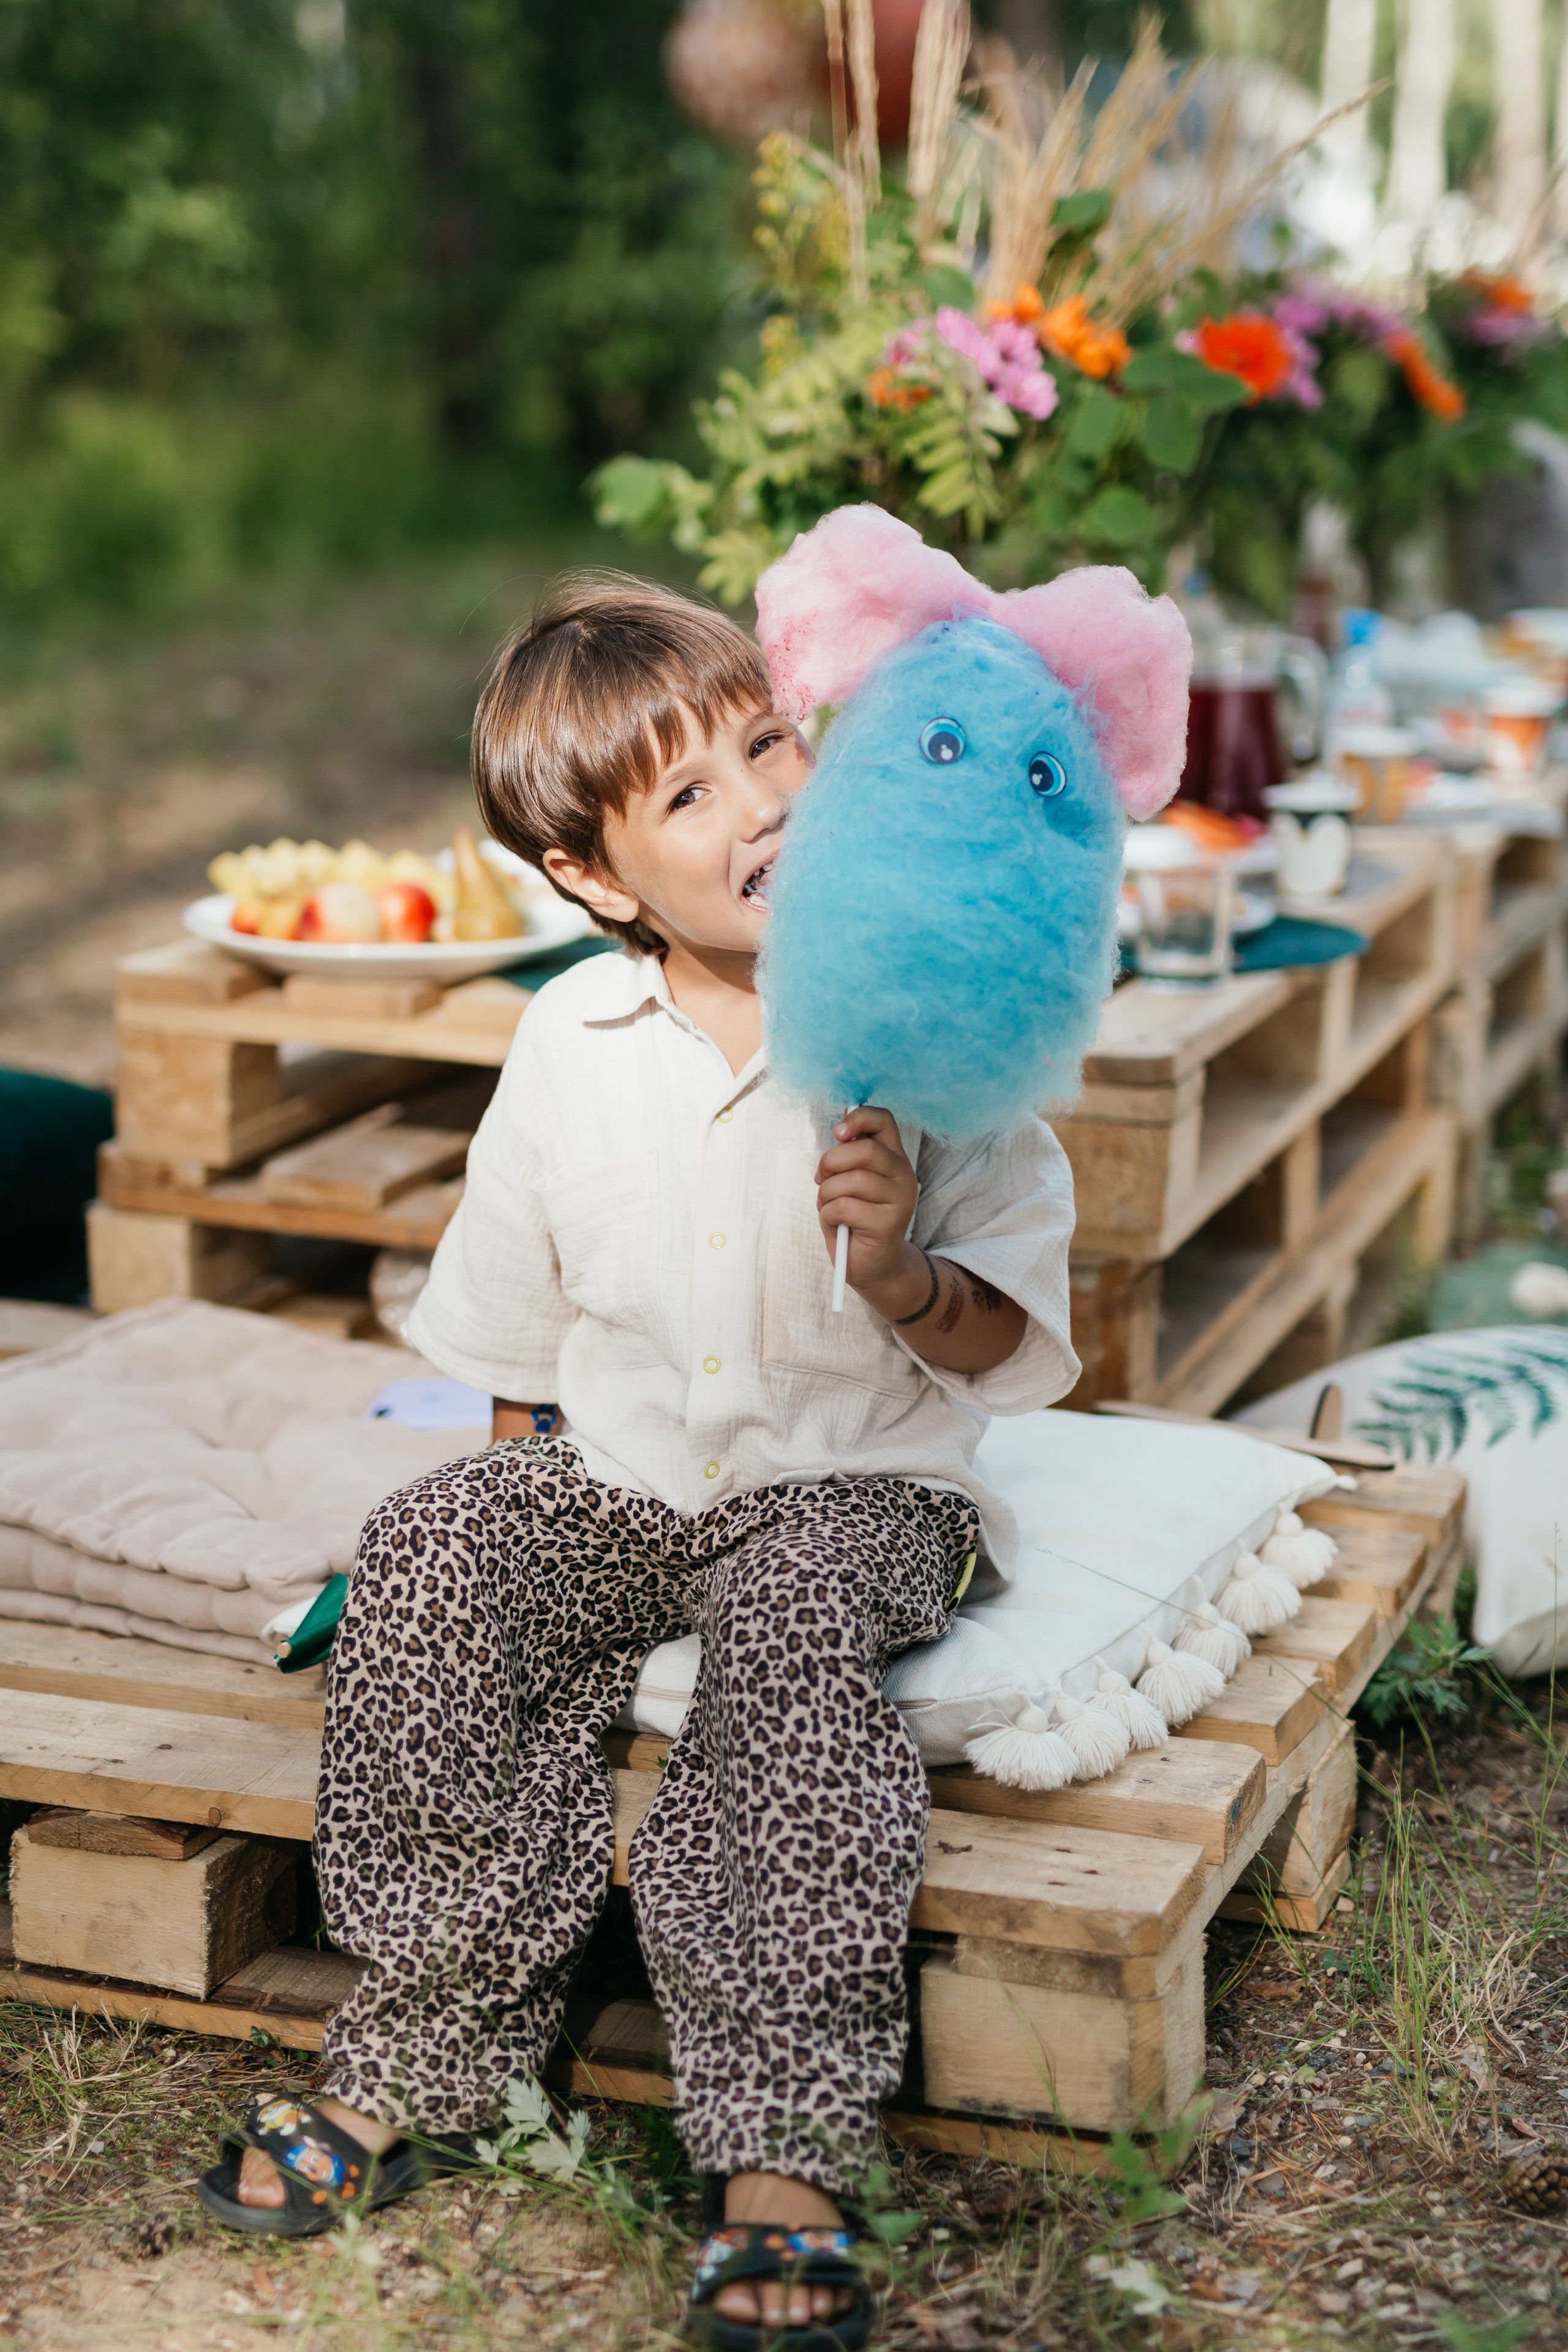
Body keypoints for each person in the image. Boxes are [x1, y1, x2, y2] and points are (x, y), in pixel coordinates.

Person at [198, 573, 1079, 2347]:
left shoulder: (937, 1025)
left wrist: (905, 1274)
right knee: (437, 1542)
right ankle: (427, 2044)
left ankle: (783, 2148)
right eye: (691, 792)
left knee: (791, 1634)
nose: (762, 803)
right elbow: (519, 1355)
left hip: (859, 1487)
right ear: (596, 879)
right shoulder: (565, 1047)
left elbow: (1017, 1343)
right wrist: (509, 1555)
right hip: (628, 1481)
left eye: (769, 745)